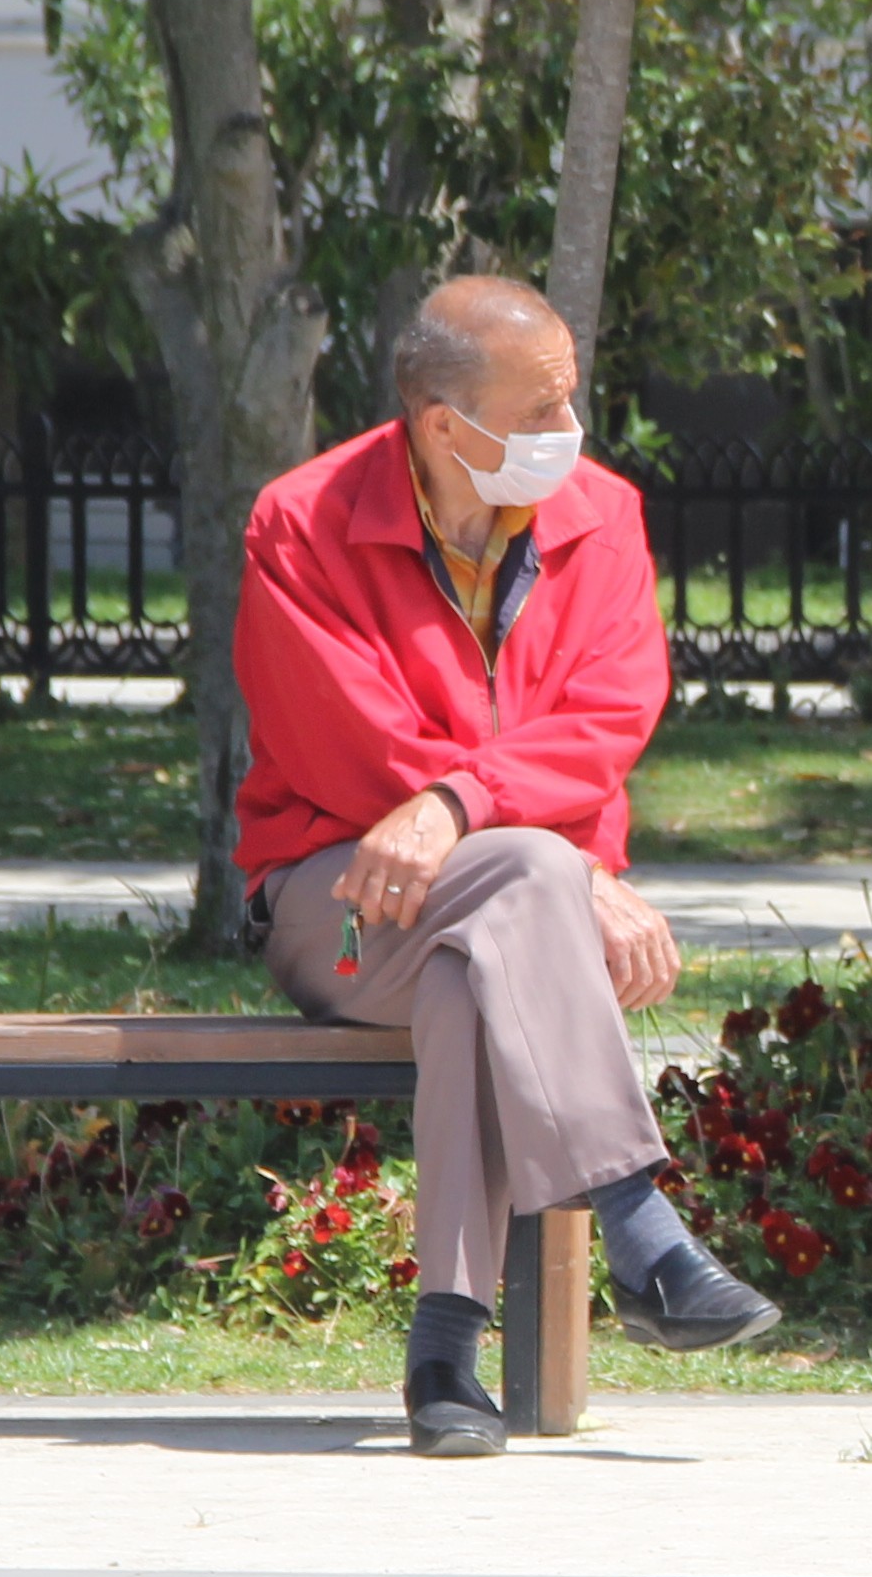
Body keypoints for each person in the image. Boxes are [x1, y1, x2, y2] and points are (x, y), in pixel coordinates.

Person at [244, 272, 777, 1453]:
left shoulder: (606, 515)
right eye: (540, 413)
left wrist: (466, 802)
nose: (567, 435)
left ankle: (444, 1358)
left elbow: (611, 716)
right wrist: (554, 859)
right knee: (527, 888)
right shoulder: (301, 521)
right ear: (444, 425)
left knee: (470, 983)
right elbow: (341, 741)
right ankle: (641, 1232)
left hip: (490, 910)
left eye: (572, 402)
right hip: (340, 900)